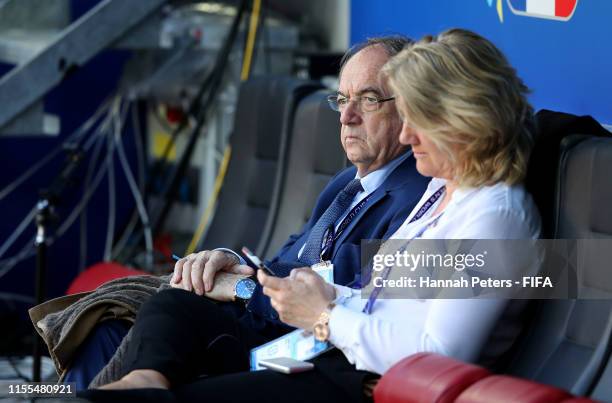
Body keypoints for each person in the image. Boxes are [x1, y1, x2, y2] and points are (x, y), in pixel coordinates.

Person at [79, 28, 541, 403]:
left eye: (417, 117)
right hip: (334, 357)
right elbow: (381, 297)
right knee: (171, 307)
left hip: (365, 383)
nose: (408, 131)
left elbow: (438, 354)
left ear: (459, 120)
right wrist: (299, 292)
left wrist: (322, 314)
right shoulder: (445, 192)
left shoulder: (496, 216)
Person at [65, 35, 428, 389]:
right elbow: (287, 261)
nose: (346, 116)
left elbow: (363, 307)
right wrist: (228, 262)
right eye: (342, 99)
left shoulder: (423, 199)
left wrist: (242, 287)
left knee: (167, 314)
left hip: (314, 352)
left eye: (368, 100)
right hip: (271, 332)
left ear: (413, 110)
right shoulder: (347, 182)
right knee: (118, 319)